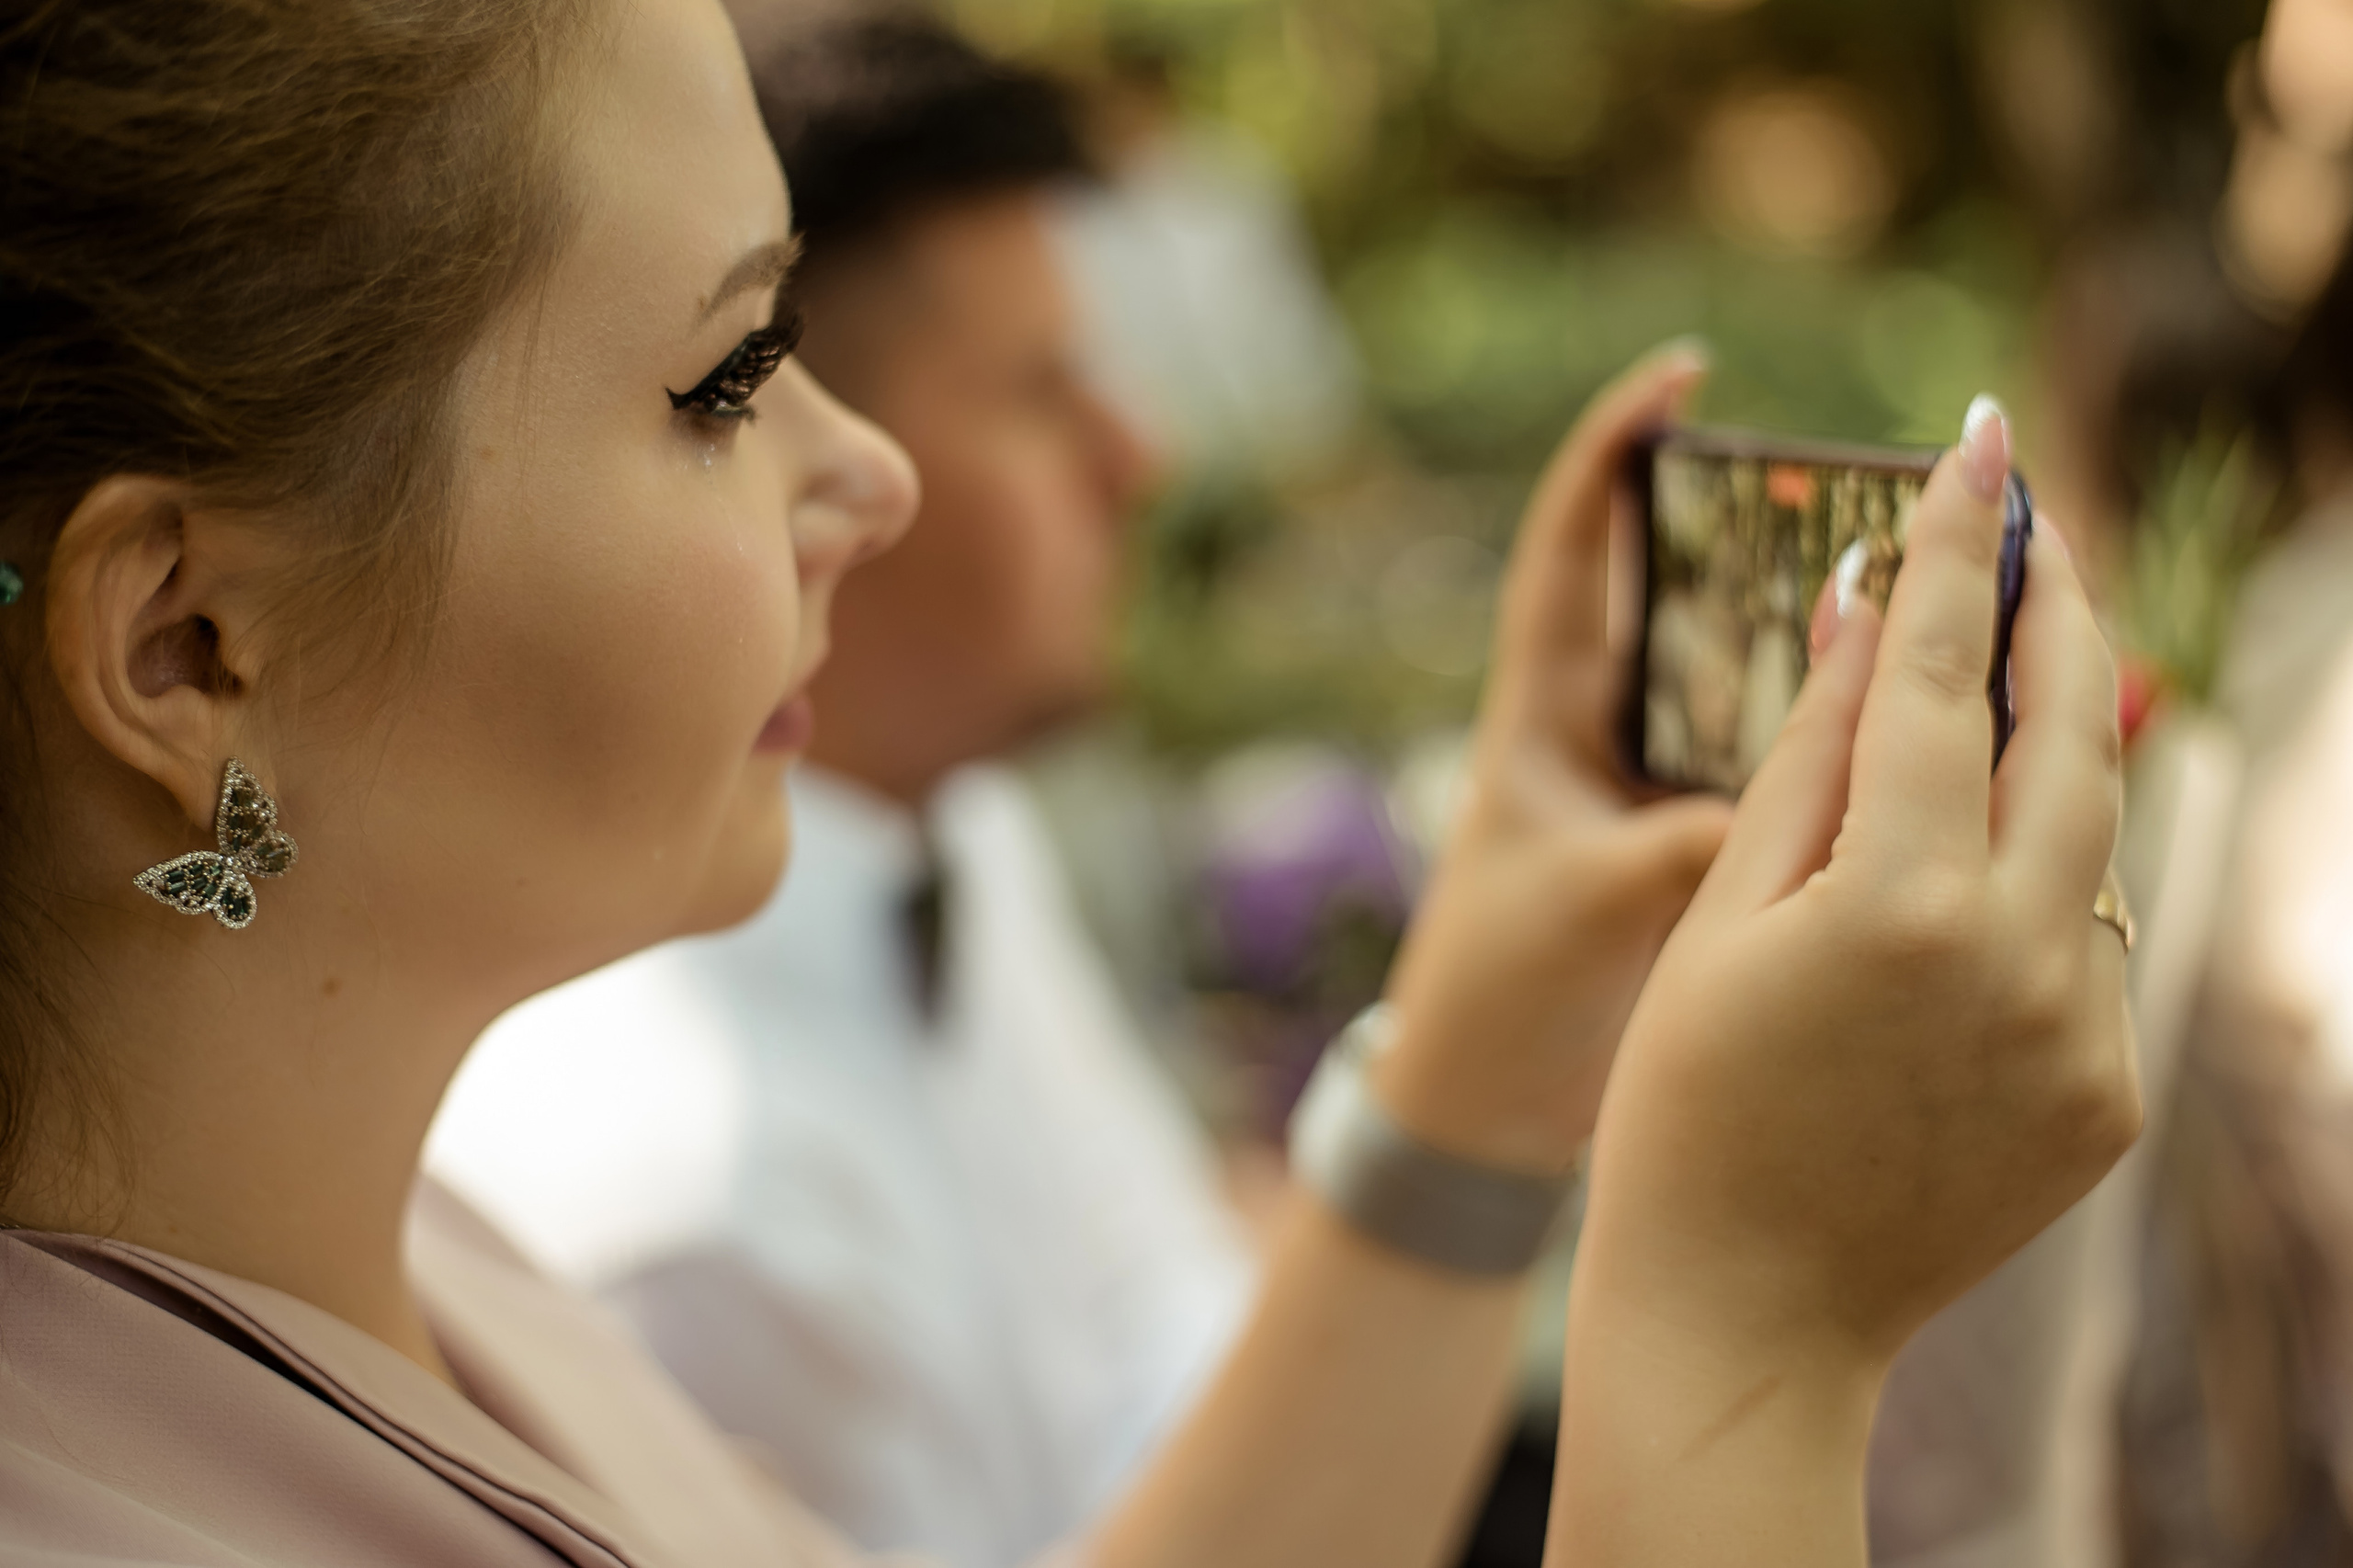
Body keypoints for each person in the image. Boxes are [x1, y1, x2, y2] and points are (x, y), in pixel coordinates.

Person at [0, 2, 2135, 1566]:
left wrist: (1492, 1043)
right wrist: (1742, 1339)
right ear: (189, 645)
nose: (869, 473)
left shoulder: (396, 1257)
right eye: (729, 378)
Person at [427, 22, 1260, 1563]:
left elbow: (1170, 1323)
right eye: (1041, 391)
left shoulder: (956, 835)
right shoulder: (675, 1198)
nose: (1140, 453)